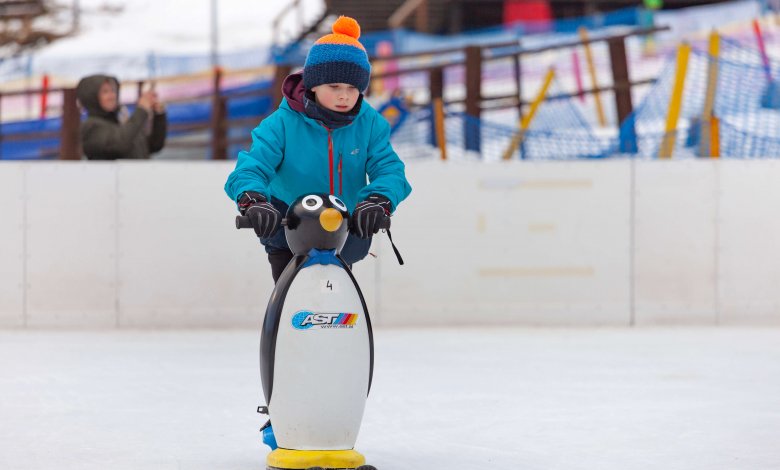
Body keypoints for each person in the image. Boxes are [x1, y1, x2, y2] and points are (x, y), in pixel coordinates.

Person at [225, 16, 412, 282]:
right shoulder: (281, 124)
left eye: (353, 88)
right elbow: (252, 167)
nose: (344, 95)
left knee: (337, 299)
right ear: (313, 84)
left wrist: (378, 200)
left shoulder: (370, 124)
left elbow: (389, 169)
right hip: (288, 227)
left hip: (343, 228)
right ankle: (286, 309)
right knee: (294, 298)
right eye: (334, 86)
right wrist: (253, 200)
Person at [75, 74, 167, 160]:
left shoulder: (120, 123)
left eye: (113, 90)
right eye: (105, 92)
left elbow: (154, 145)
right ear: (91, 97)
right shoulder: (91, 127)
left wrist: (159, 115)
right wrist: (142, 110)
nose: (112, 96)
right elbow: (118, 145)